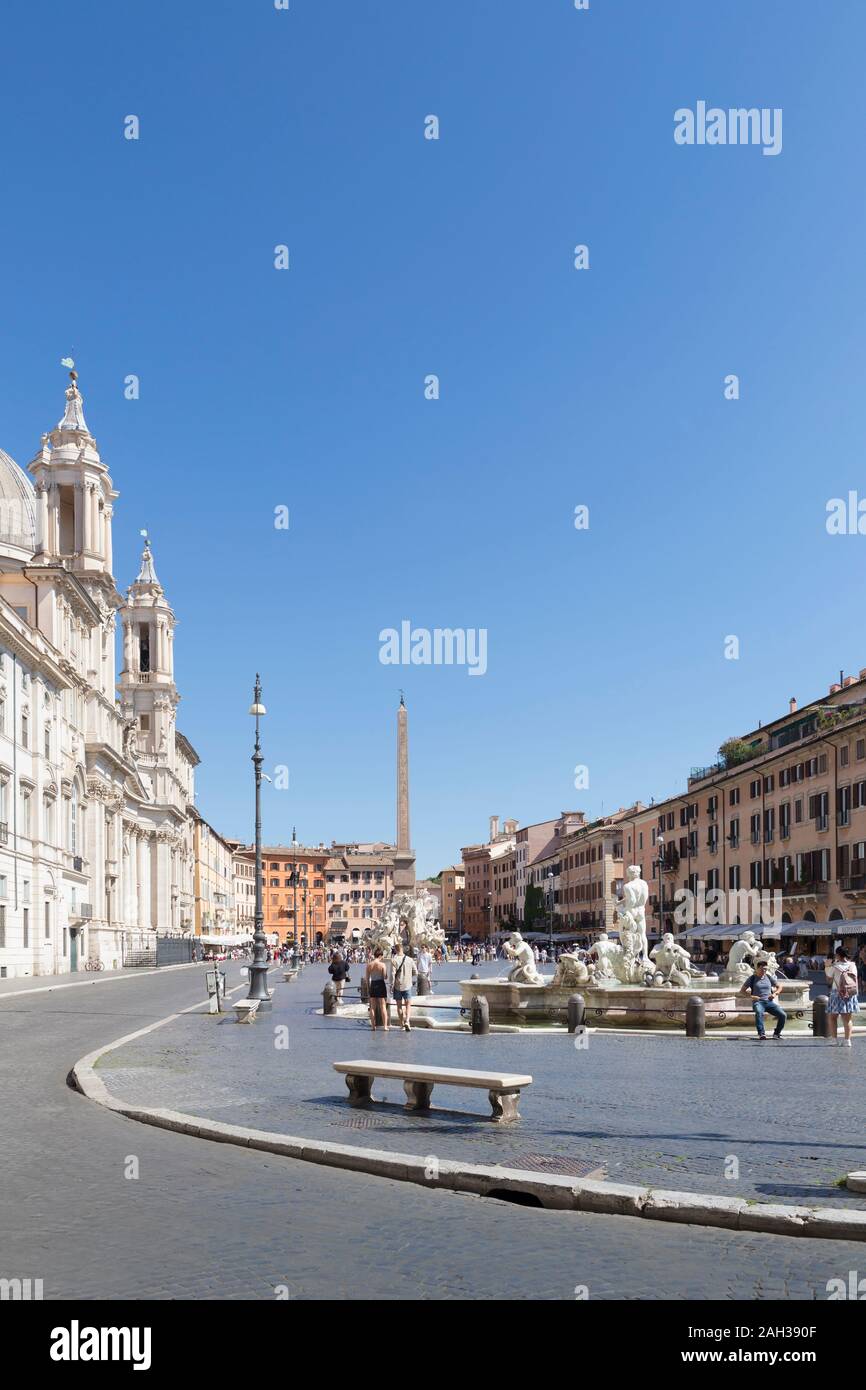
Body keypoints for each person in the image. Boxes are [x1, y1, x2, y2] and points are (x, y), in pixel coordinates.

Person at [739, 958, 786, 1039]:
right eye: (762, 969)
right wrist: (752, 996)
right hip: (758, 1002)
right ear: (757, 968)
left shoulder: (768, 977)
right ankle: (761, 1033)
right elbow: (742, 991)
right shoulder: (752, 978)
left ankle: (777, 1033)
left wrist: (775, 994)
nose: (764, 971)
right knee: (759, 1012)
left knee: (783, 1015)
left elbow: (779, 987)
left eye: (765, 969)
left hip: (769, 1002)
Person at [825, 946, 860, 1046]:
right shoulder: (852, 965)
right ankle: (847, 1041)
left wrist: (827, 966)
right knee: (847, 1019)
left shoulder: (835, 966)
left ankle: (834, 1040)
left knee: (832, 1017)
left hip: (837, 993)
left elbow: (828, 978)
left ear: (838, 955)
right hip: (850, 993)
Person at [391, 943, 417, 1031]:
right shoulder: (410, 959)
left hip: (398, 985)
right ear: (402, 949)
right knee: (408, 1005)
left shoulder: (394, 960)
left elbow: (392, 974)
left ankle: (402, 1024)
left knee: (399, 1006)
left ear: (395, 950)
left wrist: (391, 985)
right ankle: (407, 1021)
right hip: (407, 985)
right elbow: (415, 972)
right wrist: (409, 976)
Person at [366, 948, 390, 1031]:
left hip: (373, 984)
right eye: (382, 956)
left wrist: (369, 988)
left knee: (372, 1007)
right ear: (380, 956)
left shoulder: (369, 965)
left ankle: (373, 1026)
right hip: (380, 984)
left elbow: (367, 978)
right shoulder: (382, 965)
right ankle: (385, 1026)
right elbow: (385, 977)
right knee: (383, 1006)